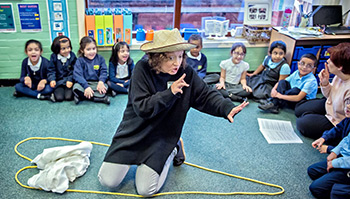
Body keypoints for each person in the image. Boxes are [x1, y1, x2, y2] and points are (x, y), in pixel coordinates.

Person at [98, 29, 248, 197]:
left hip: (163, 135)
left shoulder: (186, 72)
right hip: (135, 130)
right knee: (107, 181)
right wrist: (170, 92)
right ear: (156, 57)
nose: (176, 63)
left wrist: (226, 107)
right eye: (170, 57)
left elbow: (205, 94)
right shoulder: (142, 69)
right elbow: (142, 107)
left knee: (146, 190)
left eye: (180, 56)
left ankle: (174, 148)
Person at [295, 43, 350, 139]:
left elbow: (346, 122)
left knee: (302, 123)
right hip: (330, 105)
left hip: (337, 120)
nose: (328, 60)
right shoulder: (339, 75)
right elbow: (328, 96)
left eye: (331, 59)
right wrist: (325, 83)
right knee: (299, 109)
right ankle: (315, 116)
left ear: (340, 66)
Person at [307, 132, 350, 199]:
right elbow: (347, 139)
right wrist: (335, 152)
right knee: (312, 171)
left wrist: (335, 163)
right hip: (344, 157)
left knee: (317, 189)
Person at [72, 36, 110, 105]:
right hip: (84, 83)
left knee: (105, 87)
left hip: (96, 83)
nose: (92, 52)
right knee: (76, 87)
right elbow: (77, 75)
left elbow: (104, 71)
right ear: (82, 50)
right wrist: (86, 87)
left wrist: (101, 82)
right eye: (88, 49)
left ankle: (82, 97)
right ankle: (100, 98)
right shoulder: (80, 61)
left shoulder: (100, 59)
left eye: (94, 48)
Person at [47, 36, 77, 102]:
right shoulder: (53, 57)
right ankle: (53, 94)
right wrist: (52, 79)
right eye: (63, 48)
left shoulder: (72, 56)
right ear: (57, 49)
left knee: (68, 97)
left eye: (68, 47)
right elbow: (51, 70)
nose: (67, 50)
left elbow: (75, 70)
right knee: (59, 98)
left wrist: (70, 80)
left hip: (69, 82)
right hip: (59, 82)